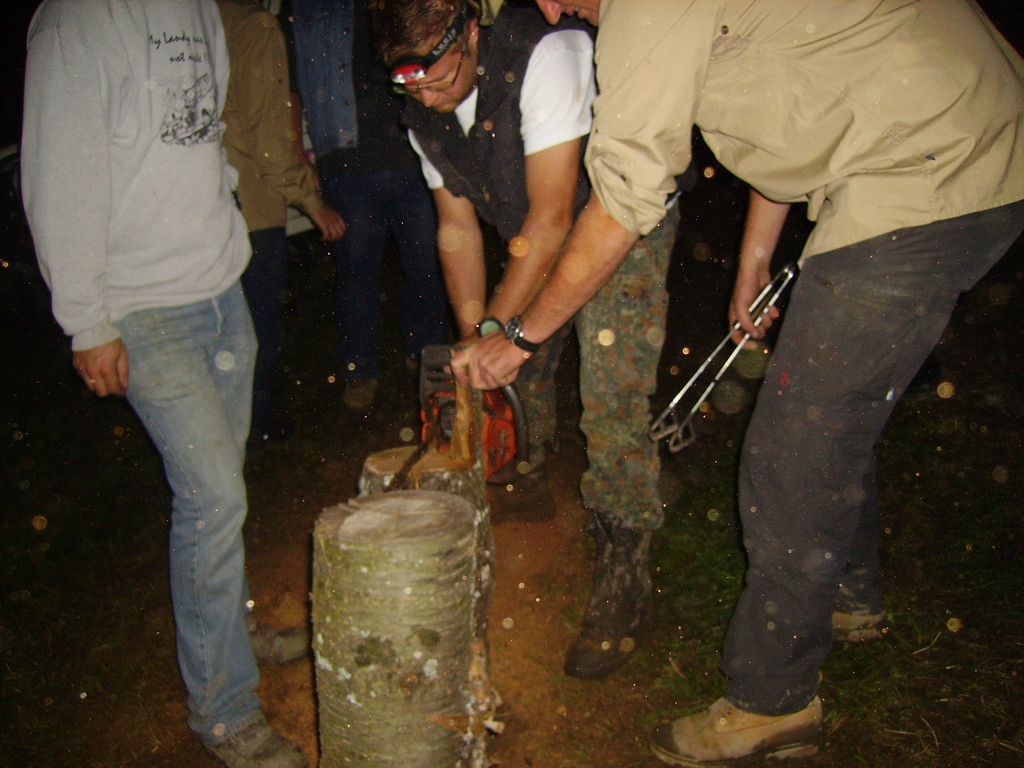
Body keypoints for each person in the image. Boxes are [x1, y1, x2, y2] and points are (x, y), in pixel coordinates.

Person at [457, 0, 1024, 763]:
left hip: (928, 161)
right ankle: (848, 598)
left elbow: (626, 195)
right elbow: (792, 99)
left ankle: (773, 701)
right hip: (948, 136)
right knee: (830, 419)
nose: (554, 10)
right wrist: (757, 252)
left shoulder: (643, 8)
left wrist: (523, 337)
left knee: (792, 447)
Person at [21, 2, 308, 766]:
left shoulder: (197, 9)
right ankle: (223, 709)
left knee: (224, 491)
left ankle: (231, 628)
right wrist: (87, 319)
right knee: (212, 497)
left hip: (218, 284)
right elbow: (58, 174)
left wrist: (225, 232)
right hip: (142, 306)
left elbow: (201, 136)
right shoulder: (79, 22)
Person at [371, 0, 680, 679]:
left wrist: (498, 333)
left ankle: (626, 566)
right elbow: (454, 228)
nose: (422, 94)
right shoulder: (421, 105)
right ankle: (527, 480)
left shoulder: (547, 56)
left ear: (469, 31)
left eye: (434, 75)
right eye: (407, 84)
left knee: (610, 392)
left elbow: (550, 216)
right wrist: (475, 337)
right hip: (535, 232)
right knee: (517, 377)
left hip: (616, 222)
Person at [290, 0, 448, 413]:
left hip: (413, 152)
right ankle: (360, 370)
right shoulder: (306, 9)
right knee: (357, 276)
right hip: (346, 162)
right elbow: (292, 87)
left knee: (427, 266)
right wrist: (302, 161)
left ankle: (427, 360)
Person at [216, 0, 346, 449]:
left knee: (222, 333)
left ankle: (227, 432)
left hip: (206, 207)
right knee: (255, 329)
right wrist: (311, 202)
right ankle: (253, 425)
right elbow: (268, 139)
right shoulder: (256, 26)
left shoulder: (194, 17)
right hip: (251, 206)